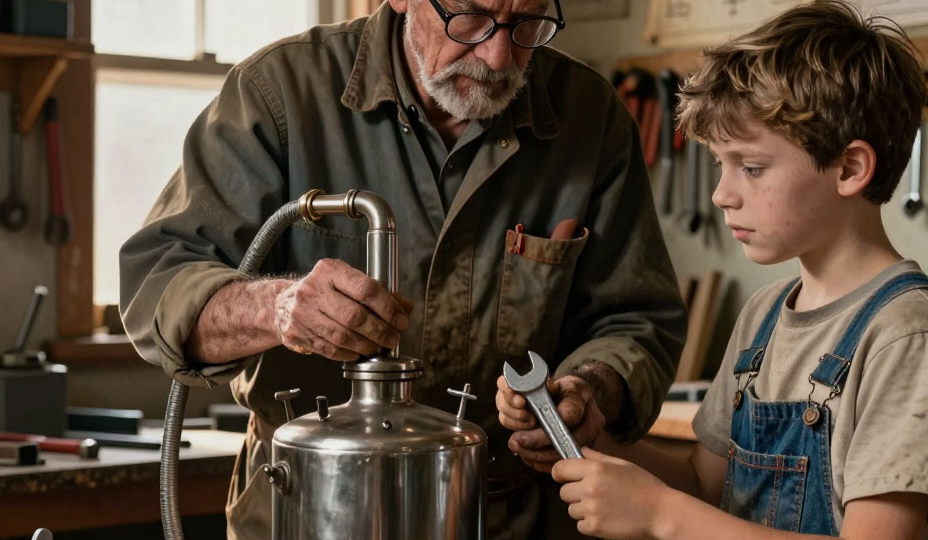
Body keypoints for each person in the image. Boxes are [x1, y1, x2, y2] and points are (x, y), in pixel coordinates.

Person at [119, 0, 686, 538]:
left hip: (509, 518)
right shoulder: (277, 94)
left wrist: (589, 390)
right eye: (470, 17)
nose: (497, 59)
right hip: (308, 508)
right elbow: (157, 287)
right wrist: (278, 307)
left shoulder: (590, 115)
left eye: (527, 24)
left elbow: (635, 319)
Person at [497, 1, 928, 538]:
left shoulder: (906, 336)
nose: (722, 194)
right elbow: (705, 487)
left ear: (849, 168)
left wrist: (660, 515)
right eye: (720, 165)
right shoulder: (764, 317)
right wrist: (583, 433)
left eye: (751, 168)